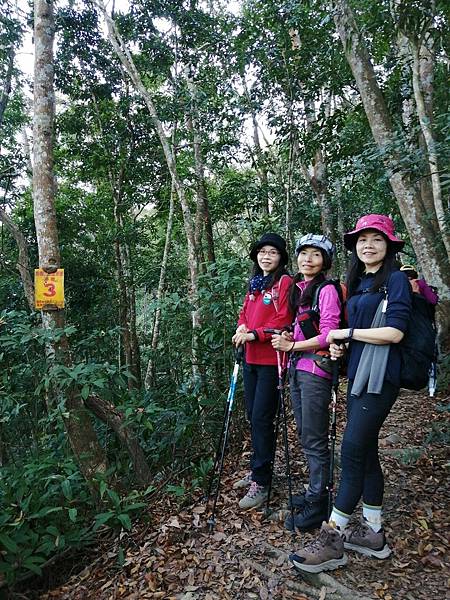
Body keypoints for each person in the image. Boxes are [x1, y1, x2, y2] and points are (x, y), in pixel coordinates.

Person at [289, 214, 411, 574]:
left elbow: (395, 333)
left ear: (389, 245)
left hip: (382, 378)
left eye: (376, 239)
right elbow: (350, 332)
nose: (368, 245)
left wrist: (349, 334)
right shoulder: (361, 283)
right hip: (359, 373)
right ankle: (373, 533)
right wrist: (343, 347)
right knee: (366, 450)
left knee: (352, 450)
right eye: (362, 240)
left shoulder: (397, 280)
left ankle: (334, 537)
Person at [271, 234, 342, 531]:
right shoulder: (301, 290)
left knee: (313, 437)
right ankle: (316, 492)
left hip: (316, 369)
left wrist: (292, 348)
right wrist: (290, 337)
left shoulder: (326, 289)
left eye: (315, 255)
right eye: (303, 254)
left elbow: (330, 334)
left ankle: (319, 503)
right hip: (299, 369)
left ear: (324, 261)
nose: (307, 260)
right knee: (305, 432)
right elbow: (304, 330)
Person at [232, 233, 293, 510]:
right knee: (252, 416)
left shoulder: (284, 282)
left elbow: (284, 319)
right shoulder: (255, 284)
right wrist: (242, 327)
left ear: (281, 257)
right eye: (262, 252)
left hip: (272, 360)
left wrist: (255, 334)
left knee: (261, 418)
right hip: (251, 359)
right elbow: (245, 312)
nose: (266, 256)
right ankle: (259, 470)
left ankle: (262, 479)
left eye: (273, 252)